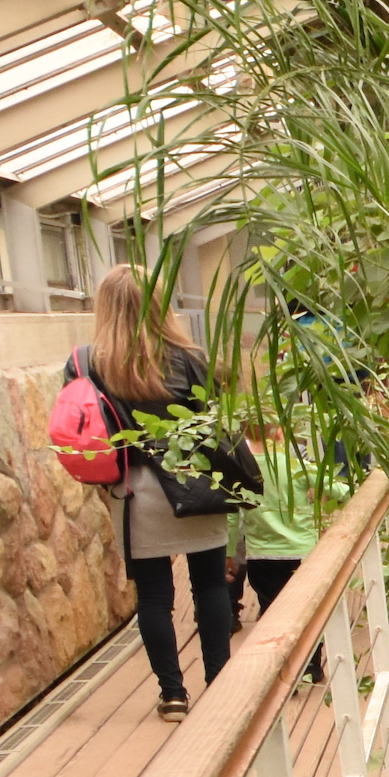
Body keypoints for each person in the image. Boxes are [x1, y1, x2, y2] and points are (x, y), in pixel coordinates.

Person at [84, 265, 227, 722]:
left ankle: (172, 695)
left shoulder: (89, 364)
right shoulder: (191, 358)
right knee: (209, 584)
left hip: (134, 491)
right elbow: (216, 425)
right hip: (195, 481)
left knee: (152, 596)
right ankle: (221, 683)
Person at [237, 419, 345, 682]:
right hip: (302, 551)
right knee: (308, 610)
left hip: (261, 554)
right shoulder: (296, 464)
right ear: (280, 433)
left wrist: (230, 552)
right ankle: (311, 666)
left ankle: (281, 669)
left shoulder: (242, 468)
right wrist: (322, 501)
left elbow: (231, 514)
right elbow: (341, 489)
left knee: (272, 611)